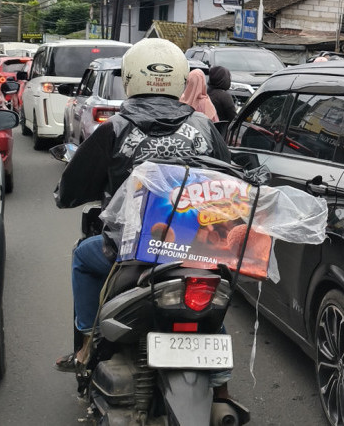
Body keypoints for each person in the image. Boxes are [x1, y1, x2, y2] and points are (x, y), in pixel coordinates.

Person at [53, 39, 232, 397]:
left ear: (131, 78)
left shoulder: (115, 128)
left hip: (130, 253)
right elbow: (230, 179)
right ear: (180, 77)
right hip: (195, 250)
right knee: (210, 301)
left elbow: (70, 192)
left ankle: (86, 344)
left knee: (81, 259)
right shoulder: (203, 125)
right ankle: (223, 387)